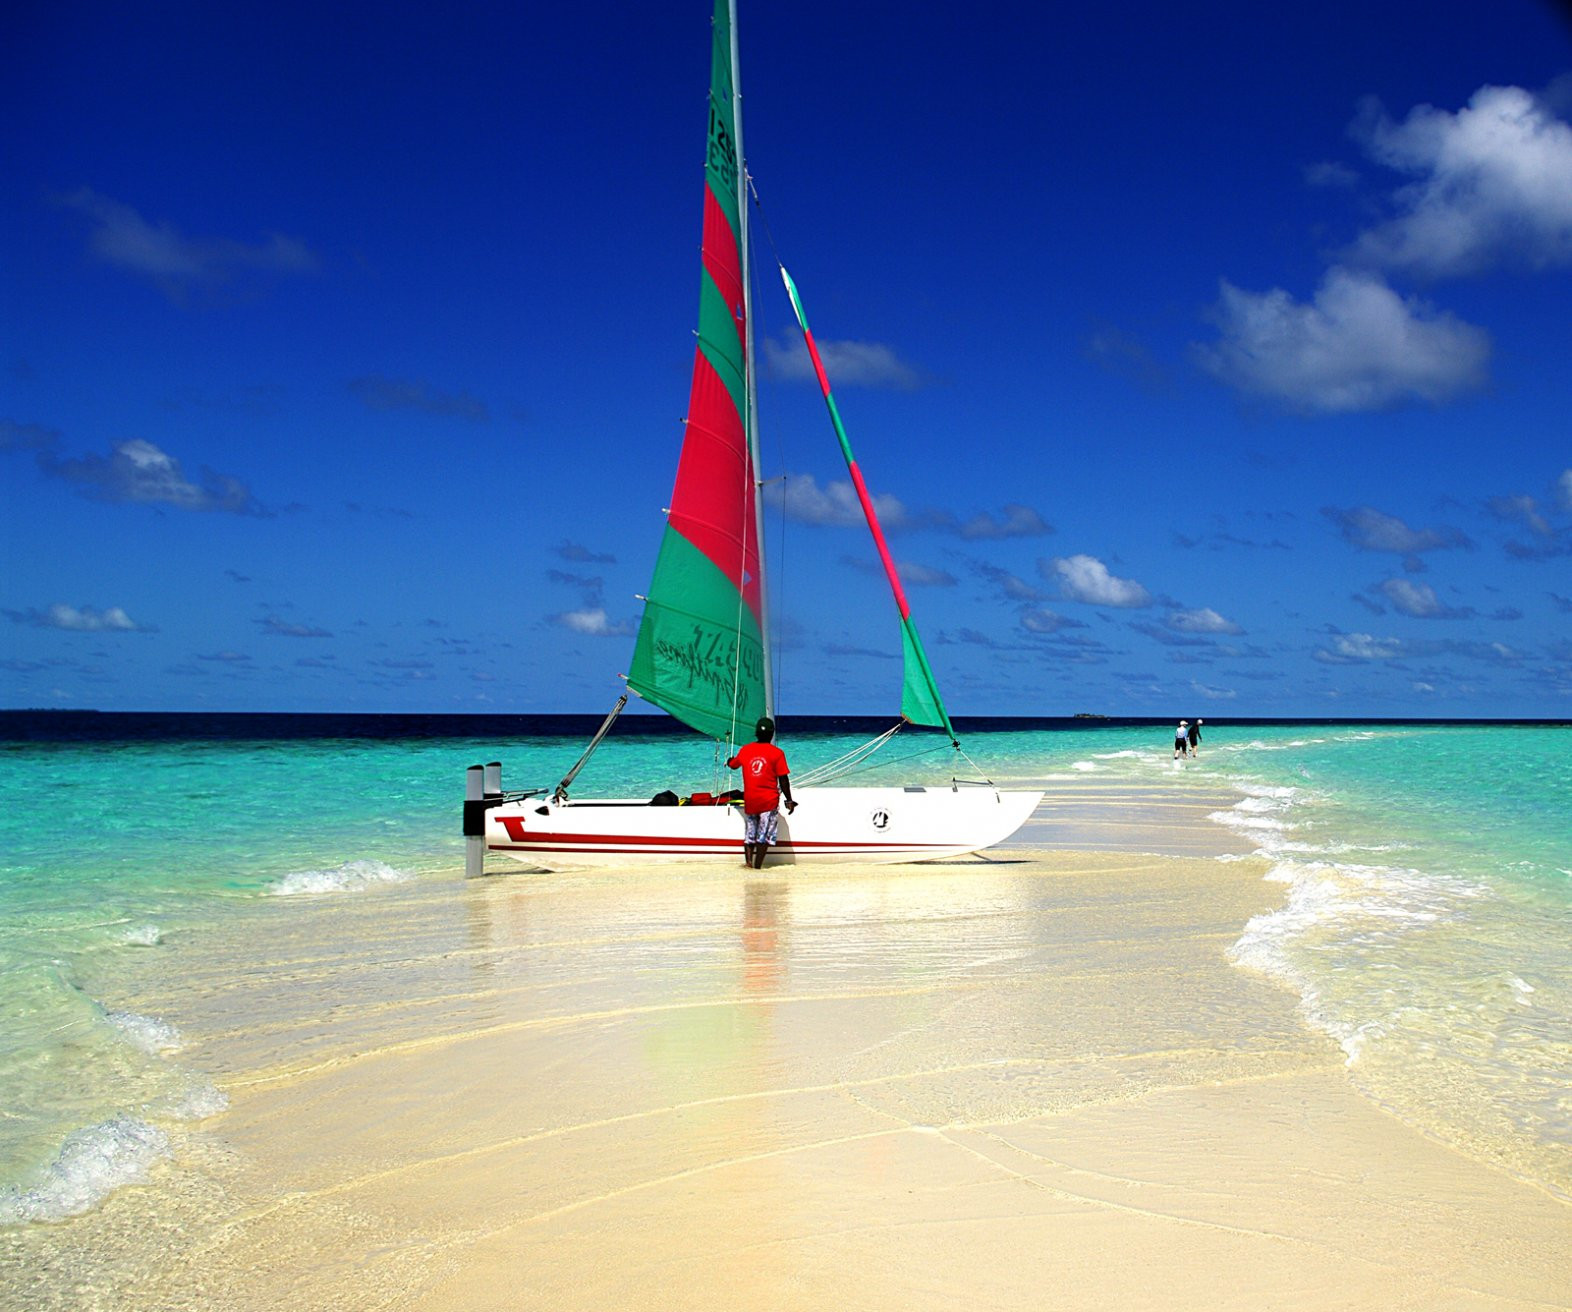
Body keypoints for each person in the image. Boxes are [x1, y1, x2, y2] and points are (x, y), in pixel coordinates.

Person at [726, 716, 796, 869]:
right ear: (772, 734)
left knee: (750, 833)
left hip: (751, 800)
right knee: (764, 836)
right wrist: (789, 800)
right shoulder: (777, 753)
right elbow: (783, 779)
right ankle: (757, 867)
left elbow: (734, 765)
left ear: (756, 733)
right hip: (768, 802)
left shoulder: (745, 750)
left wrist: (729, 761)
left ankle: (748, 863)